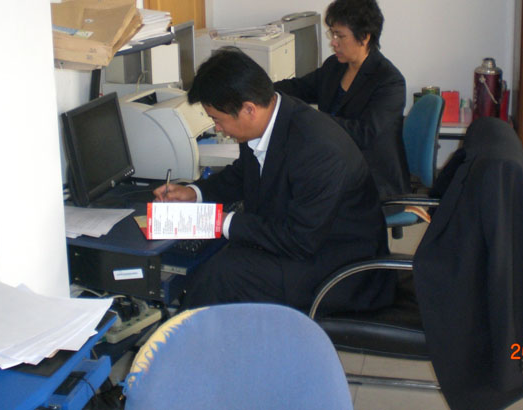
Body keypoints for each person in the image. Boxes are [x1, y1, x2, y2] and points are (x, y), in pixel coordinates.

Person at [153, 48, 393, 313]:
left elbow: (300, 240)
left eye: (217, 120)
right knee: (220, 262)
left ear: (249, 109)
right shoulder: (270, 119)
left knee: (222, 274)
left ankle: (185, 335)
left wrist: (220, 221)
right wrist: (194, 193)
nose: (217, 128)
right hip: (309, 242)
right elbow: (244, 173)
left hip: (341, 267)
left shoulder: (317, 148)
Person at [275, 0, 410, 199]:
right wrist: (261, 89)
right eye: (332, 34)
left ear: (364, 37)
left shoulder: (389, 82)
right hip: (335, 164)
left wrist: (312, 119)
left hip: (372, 180)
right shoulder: (335, 66)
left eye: (340, 36)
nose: (334, 42)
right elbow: (299, 87)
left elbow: (365, 134)